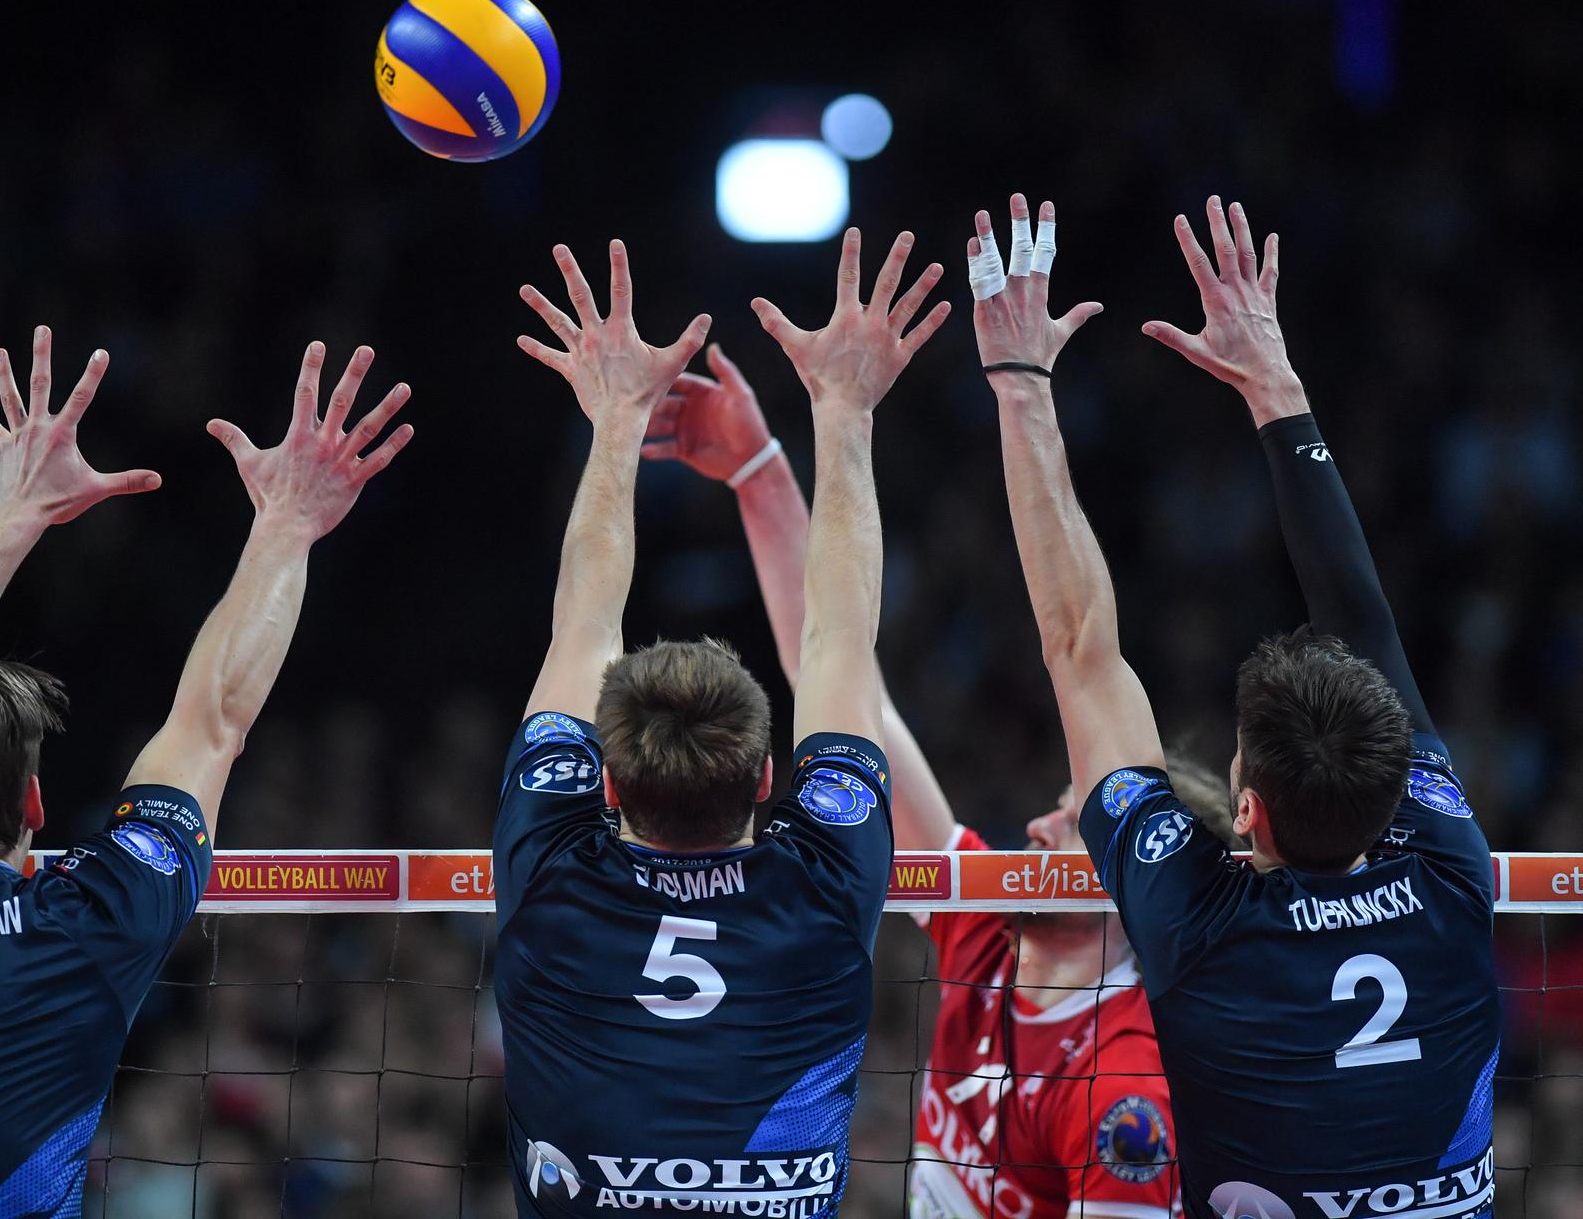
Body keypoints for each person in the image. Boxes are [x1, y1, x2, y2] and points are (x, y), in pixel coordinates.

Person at [0, 330, 413, 1218]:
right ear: (33, 803)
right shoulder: (84, 925)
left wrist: (9, 513)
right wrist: (288, 523)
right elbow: (211, 725)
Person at [975, 194, 1501, 1219]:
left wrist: (1022, 386)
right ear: (1400, 790)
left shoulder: (1201, 918)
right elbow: (1368, 623)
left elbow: (1083, 648)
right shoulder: (1449, 871)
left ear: (1245, 808)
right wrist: (1279, 386)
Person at [645, 347, 1230, 1219]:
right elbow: (847, 701)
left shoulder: (1128, 1082)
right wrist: (761, 475)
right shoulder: (983, 929)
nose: (1036, 829)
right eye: (1059, 810)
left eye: (1072, 826)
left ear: (1138, 882)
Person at [493, 231, 948, 1217]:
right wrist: (843, 409)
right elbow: (835, 639)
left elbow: (582, 623)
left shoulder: (550, 879)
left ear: (605, 784)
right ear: (763, 777)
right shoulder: (825, 884)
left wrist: (613, 423)